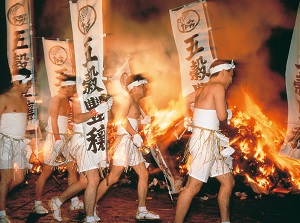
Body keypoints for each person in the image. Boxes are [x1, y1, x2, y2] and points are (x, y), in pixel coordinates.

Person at [174, 60, 236, 223]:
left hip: (210, 142)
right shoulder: (218, 87)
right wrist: (228, 113)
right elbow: (222, 116)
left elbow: (184, 101)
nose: (231, 79)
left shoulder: (202, 89)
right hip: (204, 143)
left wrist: (187, 116)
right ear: (223, 72)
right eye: (231, 75)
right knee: (192, 188)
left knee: (228, 182)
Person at [95, 74, 160, 220]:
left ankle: (142, 210)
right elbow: (121, 120)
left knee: (143, 173)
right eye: (143, 86)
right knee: (113, 177)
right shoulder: (128, 99)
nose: (145, 89)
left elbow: (130, 119)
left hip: (131, 142)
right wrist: (134, 135)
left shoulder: (135, 102)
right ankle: (91, 206)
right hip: (124, 141)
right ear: (136, 87)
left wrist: (143, 121)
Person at [48, 92, 113, 222]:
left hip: (95, 140)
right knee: (94, 178)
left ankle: (57, 201)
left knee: (84, 182)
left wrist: (107, 106)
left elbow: (109, 120)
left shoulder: (100, 91)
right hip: (82, 140)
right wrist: (96, 110)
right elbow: (77, 118)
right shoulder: (80, 93)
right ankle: (89, 217)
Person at [33, 75, 84, 215]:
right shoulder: (56, 99)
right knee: (47, 171)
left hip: (64, 138)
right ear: (67, 86)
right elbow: (54, 120)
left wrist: (72, 128)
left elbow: (63, 120)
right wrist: (56, 139)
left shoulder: (68, 101)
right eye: (73, 87)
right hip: (55, 138)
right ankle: (37, 203)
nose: (74, 90)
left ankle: (74, 201)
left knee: (72, 169)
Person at [0, 68, 33, 223]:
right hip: (5, 143)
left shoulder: (24, 99)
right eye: (27, 83)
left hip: (19, 143)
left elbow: (21, 123)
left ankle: (1, 198)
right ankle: (1, 214)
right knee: (6, 179)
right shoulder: (4, 98)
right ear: (17, 81)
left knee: (19, 178)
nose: (29, 86)